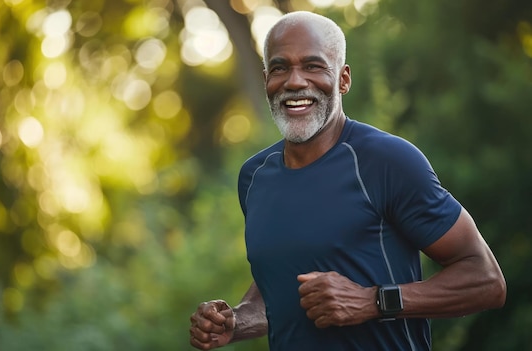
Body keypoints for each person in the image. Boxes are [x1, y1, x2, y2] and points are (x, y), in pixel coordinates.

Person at [188, 11, 506, 351]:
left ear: (343, 79)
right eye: (280, 68)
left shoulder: (388, 161)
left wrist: (373, 301)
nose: (294, 81)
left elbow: (485, 280)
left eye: (313, 66)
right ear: (267, 79)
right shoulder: (253, 177)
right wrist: (236, 321)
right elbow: (279, 289)